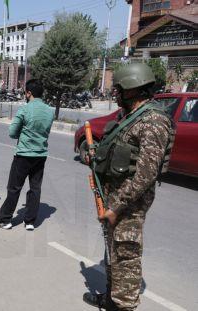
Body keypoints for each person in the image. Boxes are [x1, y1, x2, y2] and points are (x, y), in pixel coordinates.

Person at [83, 63, 174, 310]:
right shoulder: (130, 117)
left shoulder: (153, 121)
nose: (116, 94)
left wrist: (115, 207)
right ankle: (111, 300)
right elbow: (113, 152)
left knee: (126, 257)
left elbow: (145, 175)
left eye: (119, 89)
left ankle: (123, 305)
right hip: (112, 199)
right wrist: (91, 154)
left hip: (128, 205)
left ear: (132, 89)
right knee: (113, 254)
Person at [0, 79, 54, 230]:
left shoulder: (24, 110)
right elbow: (46, 132)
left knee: (14, 187)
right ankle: (30, 221)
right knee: (35, 188)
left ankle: (5, 219)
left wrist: (22, 134)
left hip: (24, 155)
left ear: (29, 93)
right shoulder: (49, 111)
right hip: (40, 155)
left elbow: (12, 133)